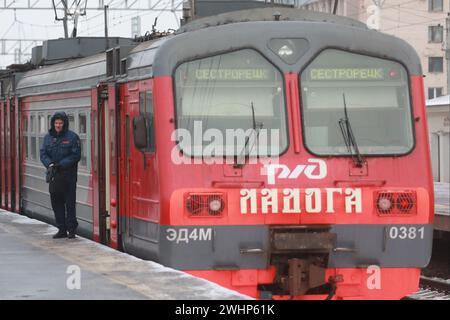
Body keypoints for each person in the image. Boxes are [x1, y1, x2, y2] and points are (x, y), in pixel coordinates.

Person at [40, 111, 81, 239]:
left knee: (69, 203)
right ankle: (61, 229)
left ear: (64, 124)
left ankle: (71, 229)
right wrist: (50, 164)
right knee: (56, 203)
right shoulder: (48, 138)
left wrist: (61, 164)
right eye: (56, 123)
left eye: (60, 123)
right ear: (53, 123)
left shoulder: (72, 137)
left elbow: (76, 155)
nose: (58, 125)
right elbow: (43, 154)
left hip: (68, 176)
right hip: (54, 176)